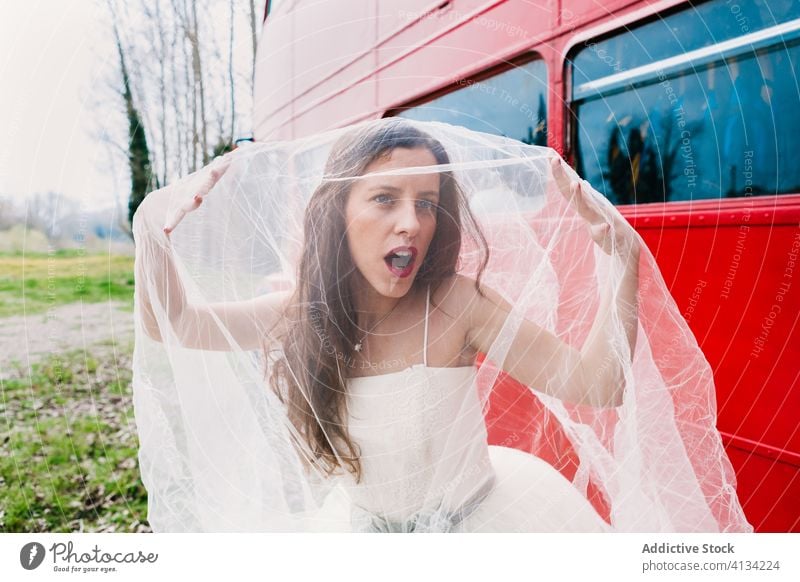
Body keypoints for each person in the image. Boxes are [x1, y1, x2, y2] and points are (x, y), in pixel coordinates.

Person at [132, 119, 751, 532]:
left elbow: (598, 384)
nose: (412, 223)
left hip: (491, 529)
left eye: (427, 203)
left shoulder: (460, 305)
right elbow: (177, 324)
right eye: (384, 198)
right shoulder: (303, 312)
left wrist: (624, 265)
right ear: (338, 212)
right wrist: (152, 229)